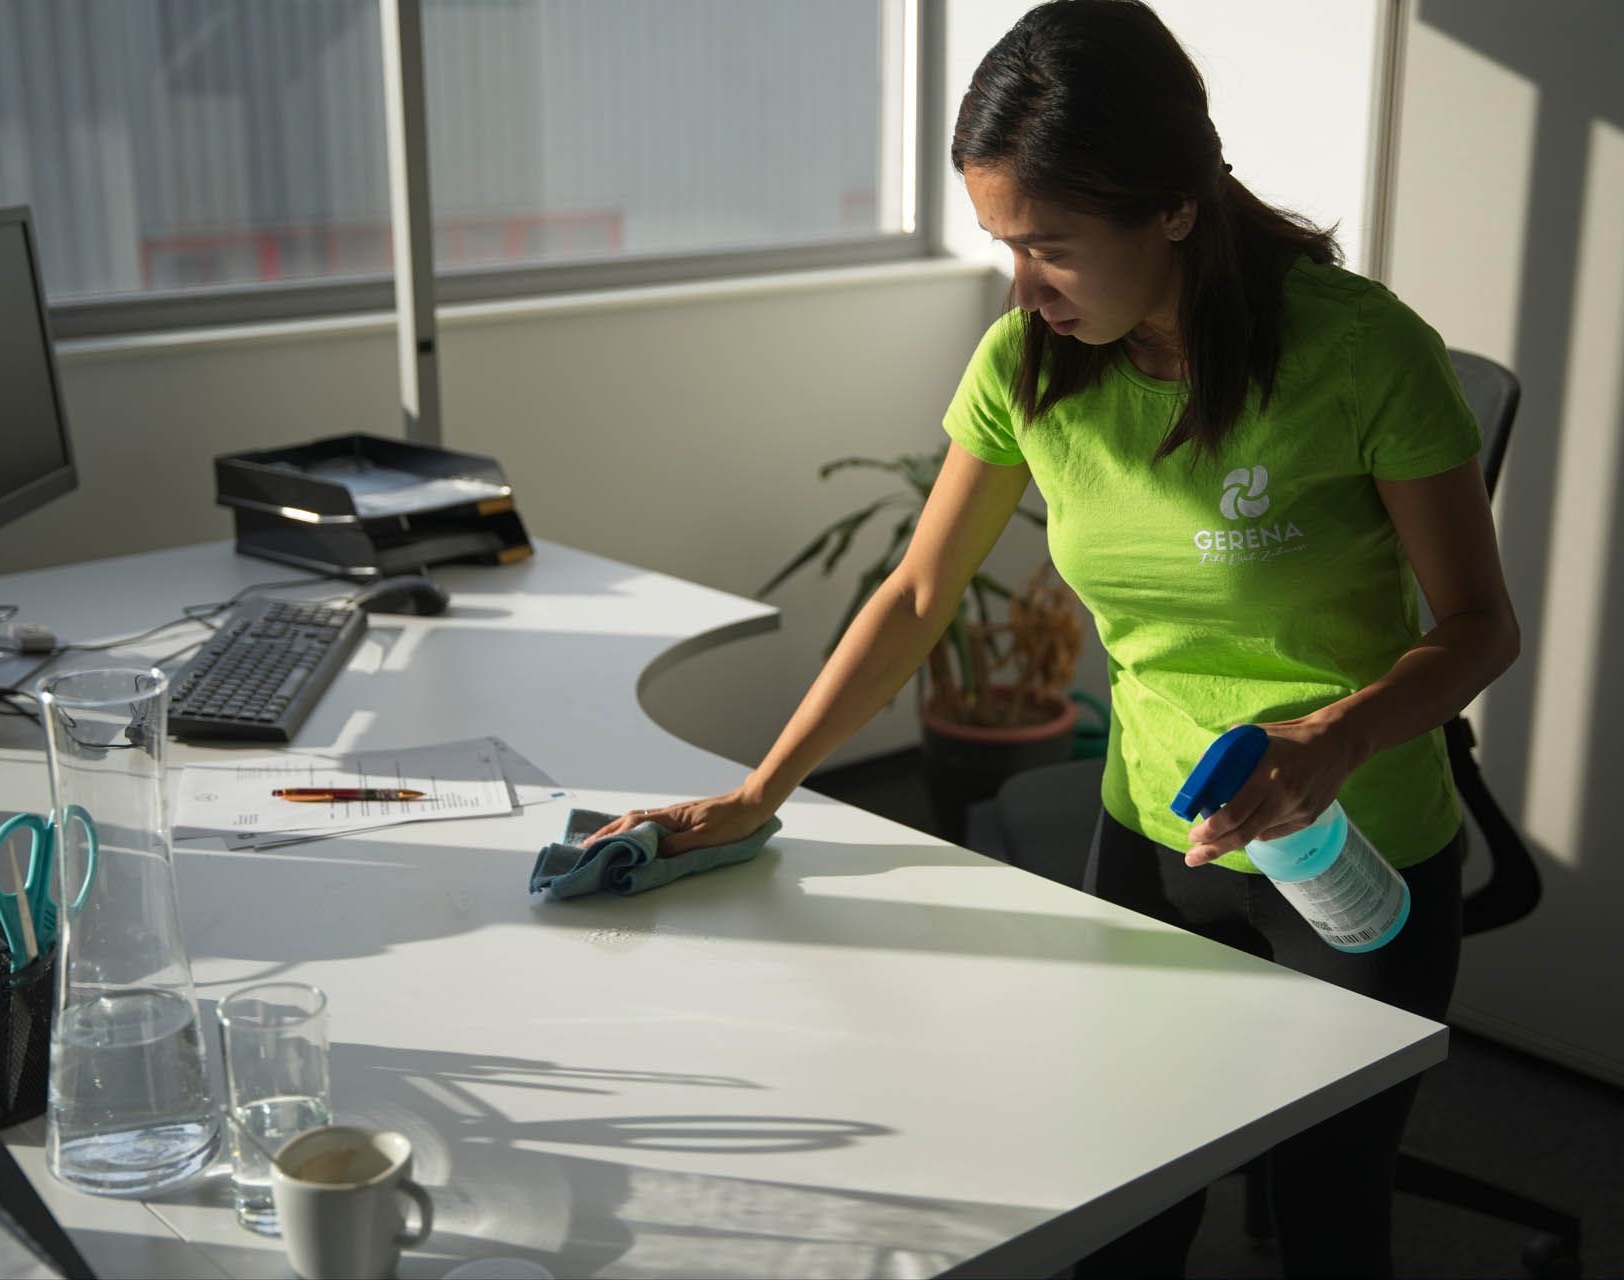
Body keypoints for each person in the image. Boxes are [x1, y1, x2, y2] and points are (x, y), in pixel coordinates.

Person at [588, 1, 1519, 1274]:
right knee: (1125, 1211)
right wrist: (763, 789)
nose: (1022, 287)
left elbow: (1480, 628)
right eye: (1000, 244)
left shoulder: (1361, 354)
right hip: (1155, 830)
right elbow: (920, 592)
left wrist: (1333, 733)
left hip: (1355, 853)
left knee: (1327, 1220)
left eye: (1054, 248)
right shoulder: (1028, 364)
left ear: (1174, 207)